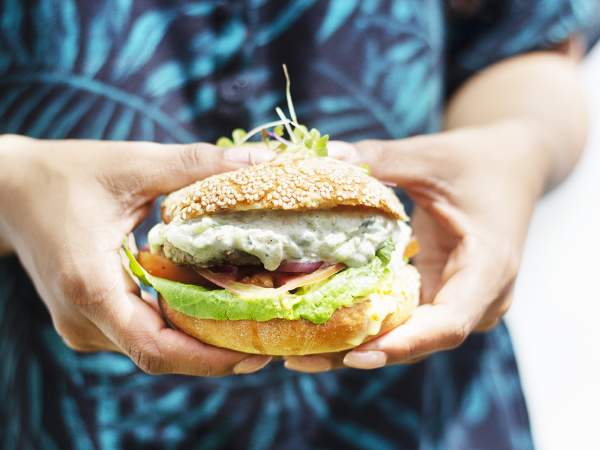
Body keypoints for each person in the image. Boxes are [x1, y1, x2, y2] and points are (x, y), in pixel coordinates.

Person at [0, 1, 598, 449]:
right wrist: (18, 186)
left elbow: (530, 47)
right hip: (70, 408)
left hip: (425, 411)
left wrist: (517, 150)